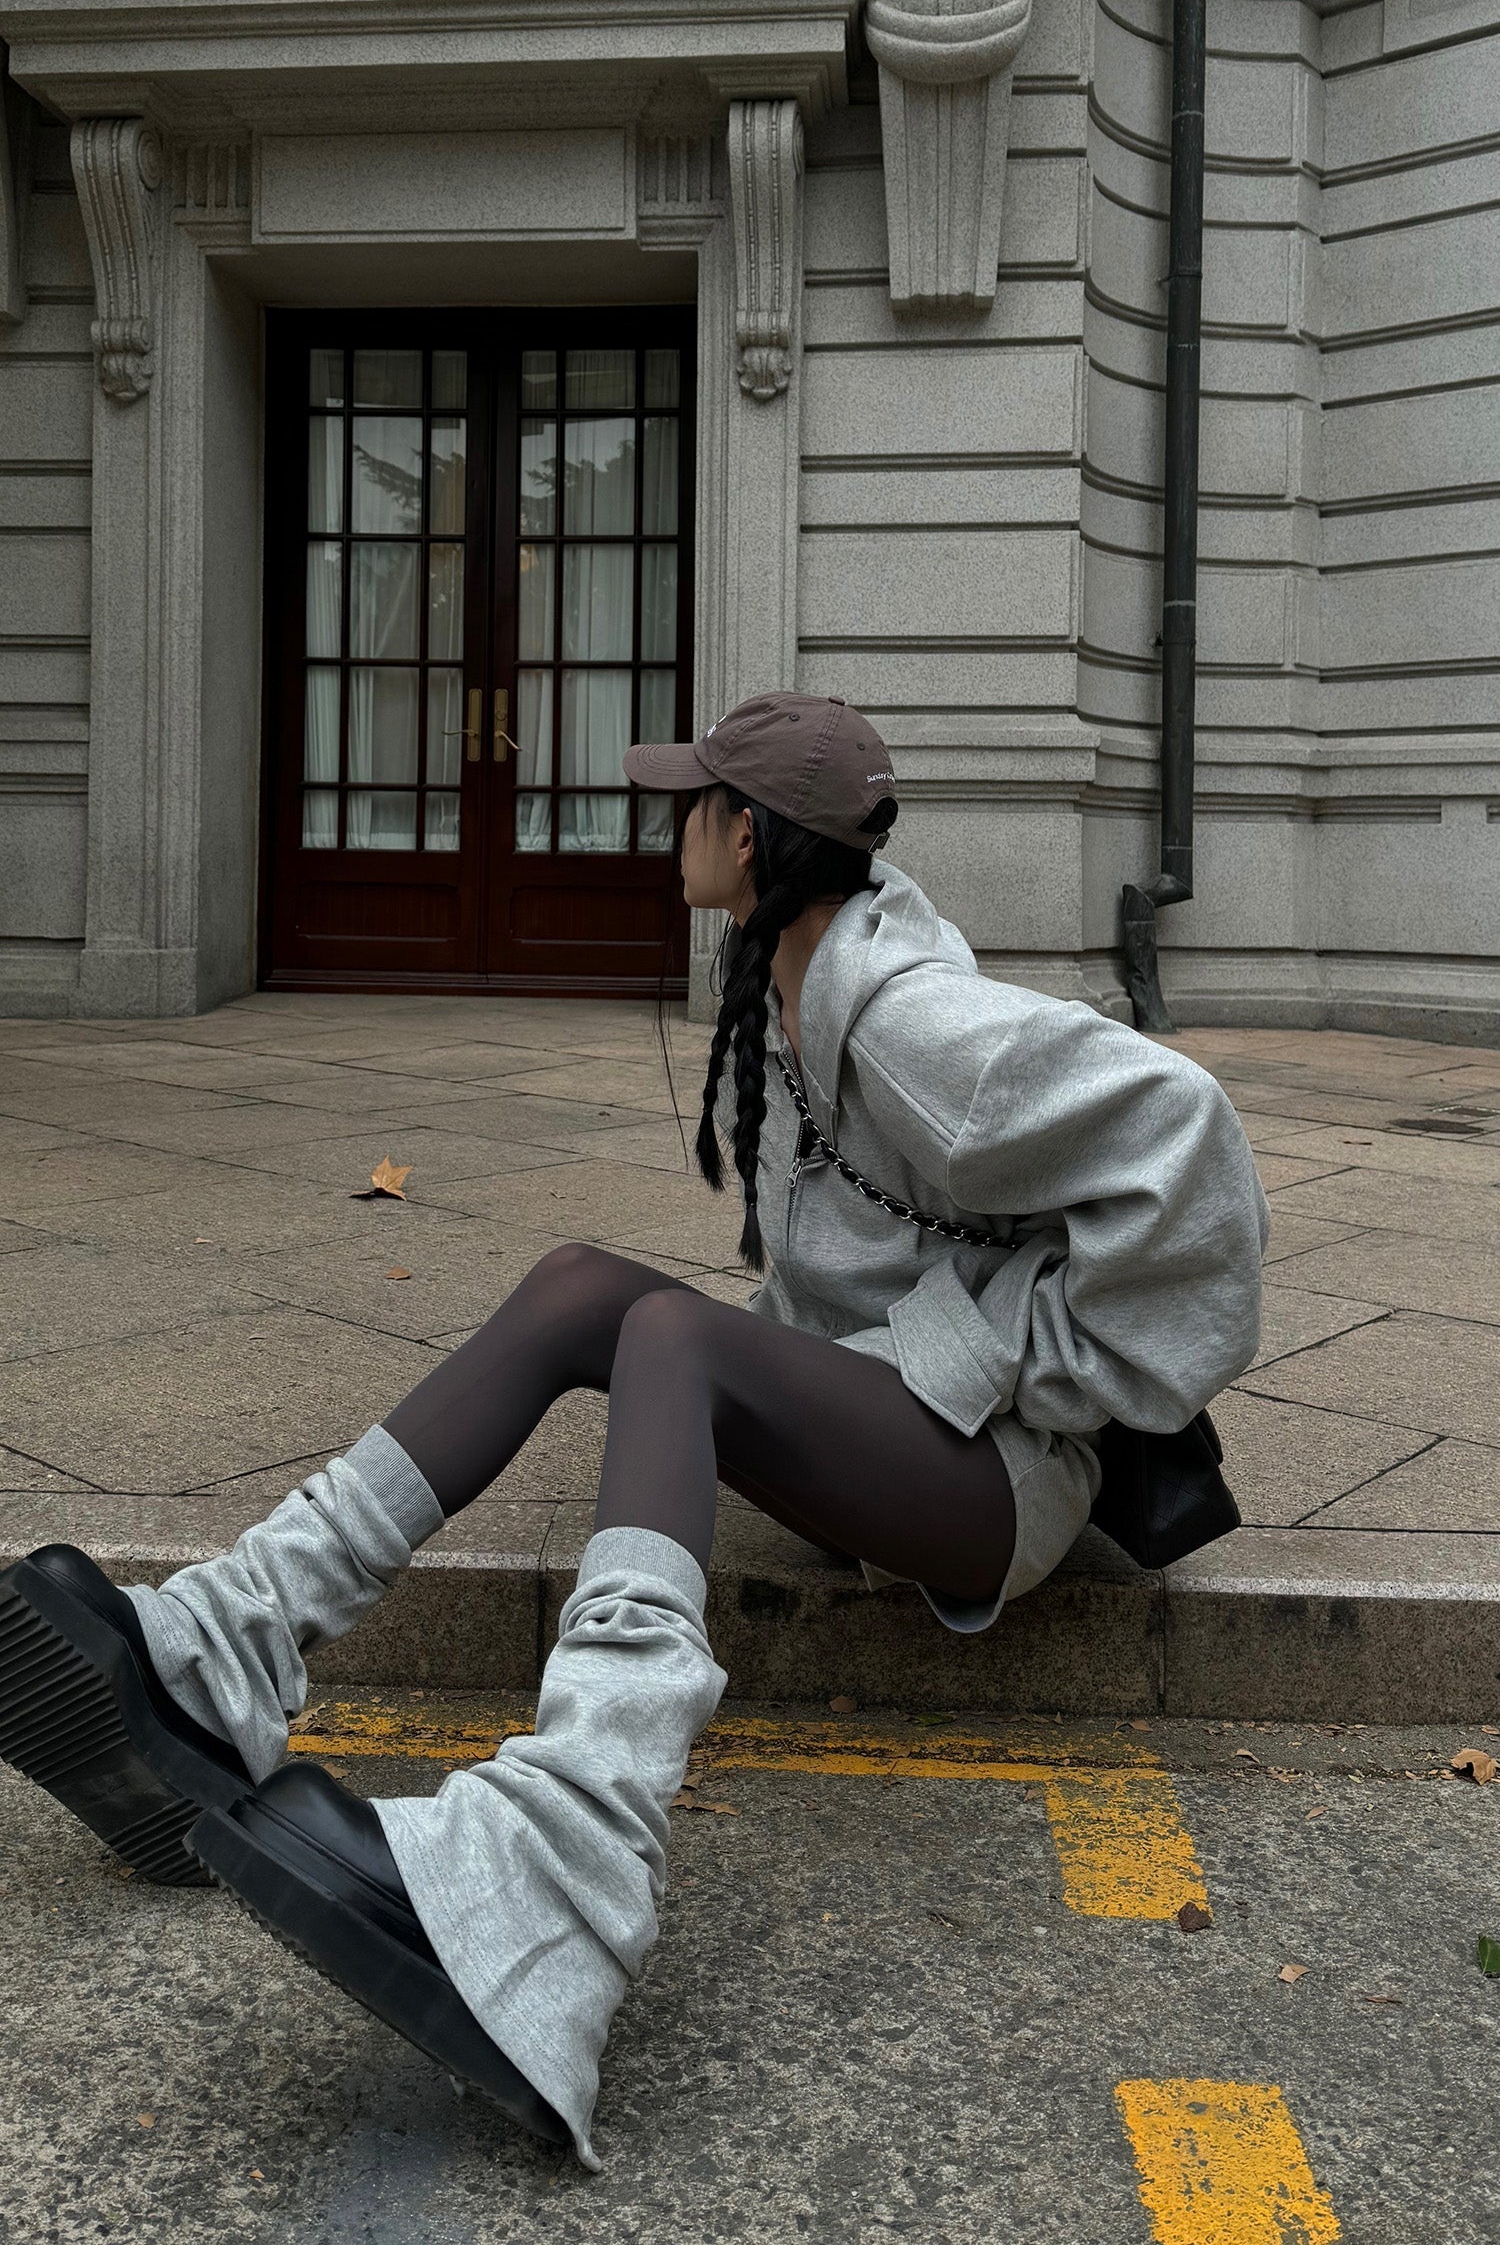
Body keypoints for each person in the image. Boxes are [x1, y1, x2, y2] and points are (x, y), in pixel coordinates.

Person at [0, 690, 1268, 2169]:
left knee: (673, 1337)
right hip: (893, 1418)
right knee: (580, 1289)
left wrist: (1014, 1357)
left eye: (694, 800)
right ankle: (227, 1644)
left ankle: (566, 1852)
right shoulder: (789, 973)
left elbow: (1188, 1138)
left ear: (753, 836)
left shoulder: (912, 1014)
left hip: (997, 1473)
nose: (673, 824)